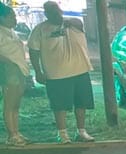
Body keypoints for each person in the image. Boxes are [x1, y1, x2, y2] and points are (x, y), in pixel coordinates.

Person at [28, 1, 94, 144]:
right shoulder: (40, 30)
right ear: (46, 14)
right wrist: (38, 71)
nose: (55, 14)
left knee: (81, 103)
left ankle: (81, 131)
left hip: (80, 70)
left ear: (60, 11)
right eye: (51, 12)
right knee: (59, 105)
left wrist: (67, 21)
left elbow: (79, 23)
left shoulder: (73, 24)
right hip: (56, 74)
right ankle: (62, 133)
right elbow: (33, 51)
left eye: (56, 10)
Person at [0, 3, 29, 146]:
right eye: (11, 17)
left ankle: (16, 132)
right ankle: (11, 134)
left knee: (16, 104)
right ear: (2, 18)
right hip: (9, 70)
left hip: (20, 70)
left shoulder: (11, 32)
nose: (15, 19)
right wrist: (9, 63)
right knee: (9, 104)